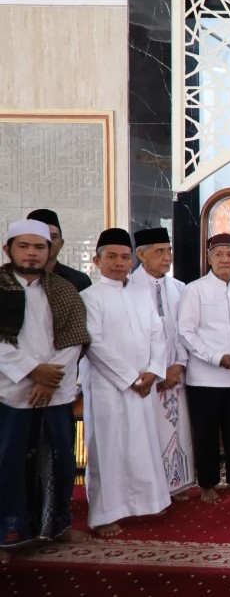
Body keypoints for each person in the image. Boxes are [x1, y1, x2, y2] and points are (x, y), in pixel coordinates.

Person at [0, 220, 91, 564]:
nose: (32, 254)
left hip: (54, 393)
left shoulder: (64, 290)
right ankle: (7, 536)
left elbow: (74, 338)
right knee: (8, 464)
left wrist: (47, 378)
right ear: (8, 249)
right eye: (24, 246)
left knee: (60, 463)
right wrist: (31, 370)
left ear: (49, 251)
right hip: (10, 393)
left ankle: (56, 525)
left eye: (39, 247)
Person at [80, 228, 171, 536]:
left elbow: (158, 334)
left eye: (124, 257)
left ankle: (148, 502)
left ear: (133, 260)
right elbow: (94, 344)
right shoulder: (89, 297)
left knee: (142, 445)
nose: (119, 263)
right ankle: (104, 514)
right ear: (97, 261)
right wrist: (131, 378)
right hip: (109, 387)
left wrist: (154, 371)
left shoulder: (141, 294)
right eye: (112, 257)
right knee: (108, 449)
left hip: (144, 384)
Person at [177, 233, 230, 503]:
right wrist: (216, 357)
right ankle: (207, 483)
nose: (224, 259)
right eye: (218, 254)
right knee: (206, 433)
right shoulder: (194, 289)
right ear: (209, 258)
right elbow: (185, 332)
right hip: (205, 376)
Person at [131, 227, 196, 500]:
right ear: (141, 255)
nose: (167, 257)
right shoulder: (129, 288)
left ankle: (175, 485)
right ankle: (150, 491)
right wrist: (157, 373)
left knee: (176, 431)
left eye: (168, 251)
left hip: (175, 375)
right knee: (147, 433)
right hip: (146, 379)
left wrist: (178, 366)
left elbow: (184, 331)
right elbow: (132, 338)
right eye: (160, 251)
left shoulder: (180, 288)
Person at [26, 209, 92, 292]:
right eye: (42, 236)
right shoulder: (12, 279)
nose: (48, 242)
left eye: (53, 237)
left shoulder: (79, 281)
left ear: (61, 243)